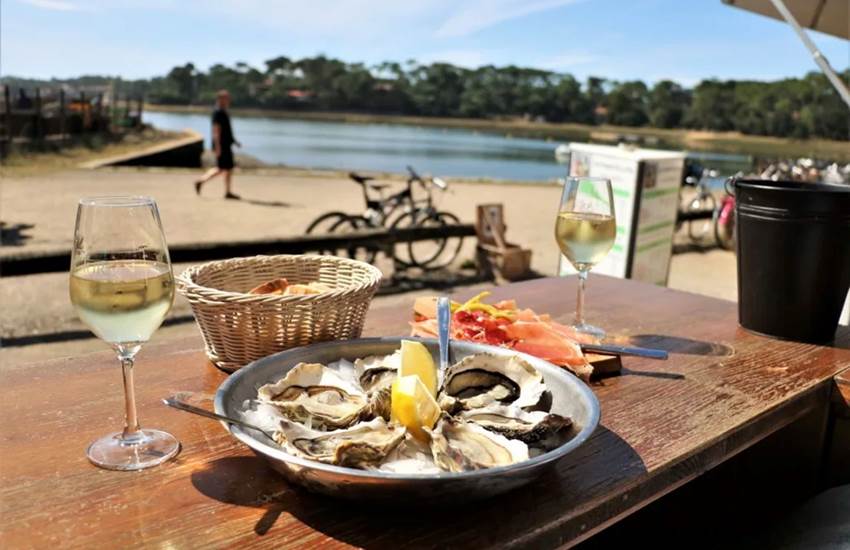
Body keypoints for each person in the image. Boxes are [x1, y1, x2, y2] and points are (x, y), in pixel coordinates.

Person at [194, 90, 241, 199]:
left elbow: (227, 131)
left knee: (228, 168)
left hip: (226, 145)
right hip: (222, 146)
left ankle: (228, 191)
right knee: (221, 168)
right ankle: (201, 181)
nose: (228, 100)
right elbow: (216, 131)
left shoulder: (223, 112)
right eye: (226, 98)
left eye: (228, 98)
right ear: (220, 99)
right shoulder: (218, 113)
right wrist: (218, 147)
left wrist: (234, 141)